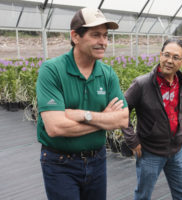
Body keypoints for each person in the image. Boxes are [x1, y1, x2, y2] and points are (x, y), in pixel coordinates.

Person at [36, 7, 128, 200]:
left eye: (105, 35)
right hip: (60, 163)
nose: (103, 42)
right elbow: (55, 127)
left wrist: (82, 115)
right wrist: (104, 118)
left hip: (98, 160)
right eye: (95, 35)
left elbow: (122, 119)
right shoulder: (52, 70)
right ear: (75, 36)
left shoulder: (107, 73)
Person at [122, 38, 182, 200]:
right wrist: (132, 140)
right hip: (150, 152)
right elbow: (122, 109)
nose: (169, 61)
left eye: (175, 57)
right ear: (160, 55)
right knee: (143, 196)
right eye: (166, 55)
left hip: (176, 151)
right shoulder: (142, 84)